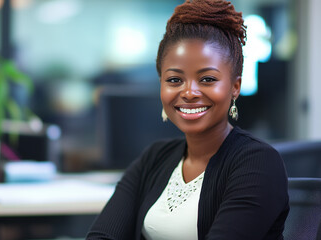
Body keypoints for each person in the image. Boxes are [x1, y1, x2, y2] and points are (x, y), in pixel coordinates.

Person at [86, 0, 289, 239]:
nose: (189, 92)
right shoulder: (154, 158)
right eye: (174, 80)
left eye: (207, 79)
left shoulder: (258, 163)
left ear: (235, 87)